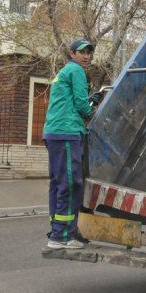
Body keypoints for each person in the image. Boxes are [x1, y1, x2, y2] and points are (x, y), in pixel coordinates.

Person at [43, 39, 102, 250]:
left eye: (89, 53)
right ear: (72, 53)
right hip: (66, 132)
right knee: (70, 184)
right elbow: (80, 105)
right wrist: (93, 112)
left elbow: (72, 101)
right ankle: (61, 236)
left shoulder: (64, 72)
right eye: (82, 52)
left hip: (54, 132)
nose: (86, 56)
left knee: (59, 183)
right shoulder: (76, 71)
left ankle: (58, 229)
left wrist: (90, 100)